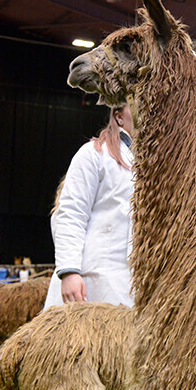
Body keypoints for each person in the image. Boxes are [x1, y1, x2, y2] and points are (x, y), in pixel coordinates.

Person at [44, 106, 135, 308]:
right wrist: (69, 271)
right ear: (118, 117)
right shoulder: (93, 153)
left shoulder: (150, 163)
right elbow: (71, 214)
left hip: (127, 283)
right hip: (89, 278)